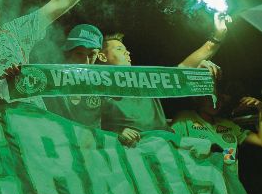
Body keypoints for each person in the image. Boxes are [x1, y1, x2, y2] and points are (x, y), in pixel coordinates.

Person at [97, 18, 227, 146]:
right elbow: (85, 128)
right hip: (129, 152)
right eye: (119, 49)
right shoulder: (92, 89)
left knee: (209, 148)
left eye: (125, 49)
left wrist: (218, 36)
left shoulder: (147, 81)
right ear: (102, 57)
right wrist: (114, 134)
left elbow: (183, 68)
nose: (127, 52)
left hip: (164, 148)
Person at [172, 92, 262, 173]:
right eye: (210, 97)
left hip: (229, 186)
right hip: (200, 186)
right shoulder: (185, 118)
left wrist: (261, 109)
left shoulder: (227, 125)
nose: (216, 102)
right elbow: (170, 149)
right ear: (197, 98)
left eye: (220, 99)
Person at [43, 23, 109, 127]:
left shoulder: (103, 84)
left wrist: (120, 132)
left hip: (90, 142)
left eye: (92, 55)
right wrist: (15, 77)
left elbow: (113, 119)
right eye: (79, 54)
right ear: (68, 53)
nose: (86, 61)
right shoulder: (48, 79)